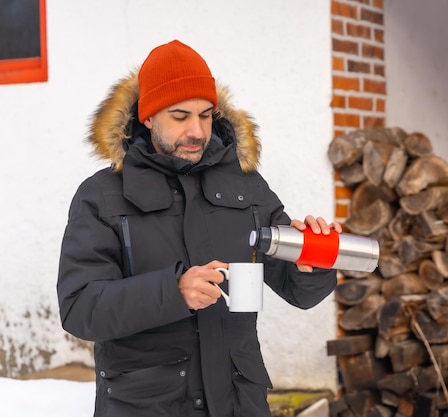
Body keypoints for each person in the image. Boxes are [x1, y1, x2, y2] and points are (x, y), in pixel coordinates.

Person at [57, 39, 341, 417]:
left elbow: (297, 290)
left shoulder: (246, 186)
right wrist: (173, 291)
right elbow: (80, 308)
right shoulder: (103, 196)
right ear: (148, 117)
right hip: (147, 406)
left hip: (240, 402)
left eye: (206, 115)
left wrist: (312, 265)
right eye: (179, 116)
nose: (196, 130)